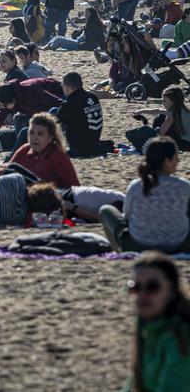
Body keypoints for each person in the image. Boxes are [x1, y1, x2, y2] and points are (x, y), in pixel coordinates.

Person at [100, 137, 190, 254]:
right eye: (176, 157)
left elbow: (127, 216)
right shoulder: (184, 186)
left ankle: (117, 251)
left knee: (105, 210)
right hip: (178, 245)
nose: (178, 161)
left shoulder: (137, 185)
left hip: (138, 245)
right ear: (167, 161)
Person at [122, 252, 190, 391]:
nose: (143, 295)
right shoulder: (148, 327)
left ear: (172, 291)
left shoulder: (182, 335)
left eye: (152, 287)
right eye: (136, 287)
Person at [0, 77, 66, 157]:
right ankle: (22, 149)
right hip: (39, 110)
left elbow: (58, 102)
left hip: (60, 95)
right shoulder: (9, 101)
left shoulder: (30, 89)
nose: (3, 107)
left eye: (4, 104)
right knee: (18, 118)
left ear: (12, 99)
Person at [3, 113, 79, 188]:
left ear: (50, 138)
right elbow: (6, 172)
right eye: (31, 132)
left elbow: (75, 189)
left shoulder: (58, 156)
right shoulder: (25, 149)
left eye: (40, 134)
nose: (34, 137)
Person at [56, 71, 108, 157]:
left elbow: (54, 127)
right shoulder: (93, 97)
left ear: (67, 87)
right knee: (55, 110)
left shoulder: (69, 104)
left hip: (78, 148)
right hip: (94, 144)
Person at [129, 86, 190, 152]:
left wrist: (153, 142)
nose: (163, 103)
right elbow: (158, 110)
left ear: (173, 101)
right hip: (186, 142)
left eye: (165, 101)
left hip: (185, 144)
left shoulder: (173, 113)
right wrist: (141, 111)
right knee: (161, 116)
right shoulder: (182, 109)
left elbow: (161, 132)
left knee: (159, 118)